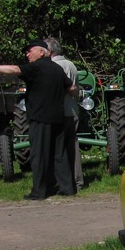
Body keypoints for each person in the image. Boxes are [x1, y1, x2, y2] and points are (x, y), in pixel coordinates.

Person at [0, 39, 75, 199]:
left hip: (40, 118)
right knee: (60, 154)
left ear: (42, 52)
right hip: (58, 117)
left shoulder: (37, 67)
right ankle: (67, 188)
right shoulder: (58, 69)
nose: (27, 54)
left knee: (39, 154)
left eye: (30, 50)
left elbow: (15, 70)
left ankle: (39, 191)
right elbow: (71, 87)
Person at [46, 37, 82, 190]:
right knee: (72, 145)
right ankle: (77, 181)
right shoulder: (71, 64)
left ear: (49, 51)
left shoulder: (55, 66)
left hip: (61, 111)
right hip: (73, 109)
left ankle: (61, 182)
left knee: (58, 148)